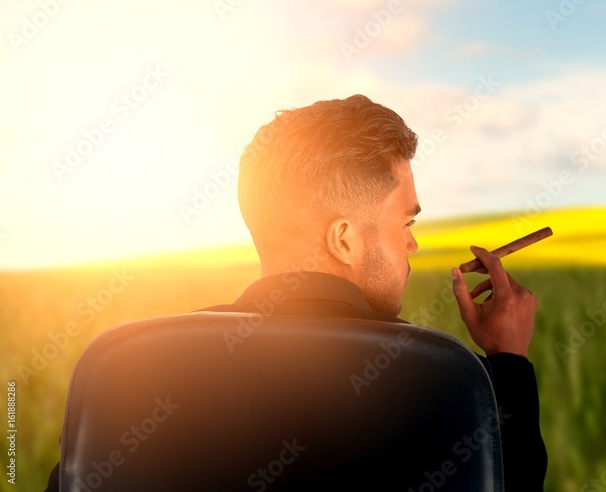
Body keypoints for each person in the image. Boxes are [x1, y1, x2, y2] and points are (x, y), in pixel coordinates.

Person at [44, 94, 547, 490]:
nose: (413, 242)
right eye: (406, 221)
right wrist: (508, 362)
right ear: (344, 238)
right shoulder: (442, 377)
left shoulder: (129, 370)